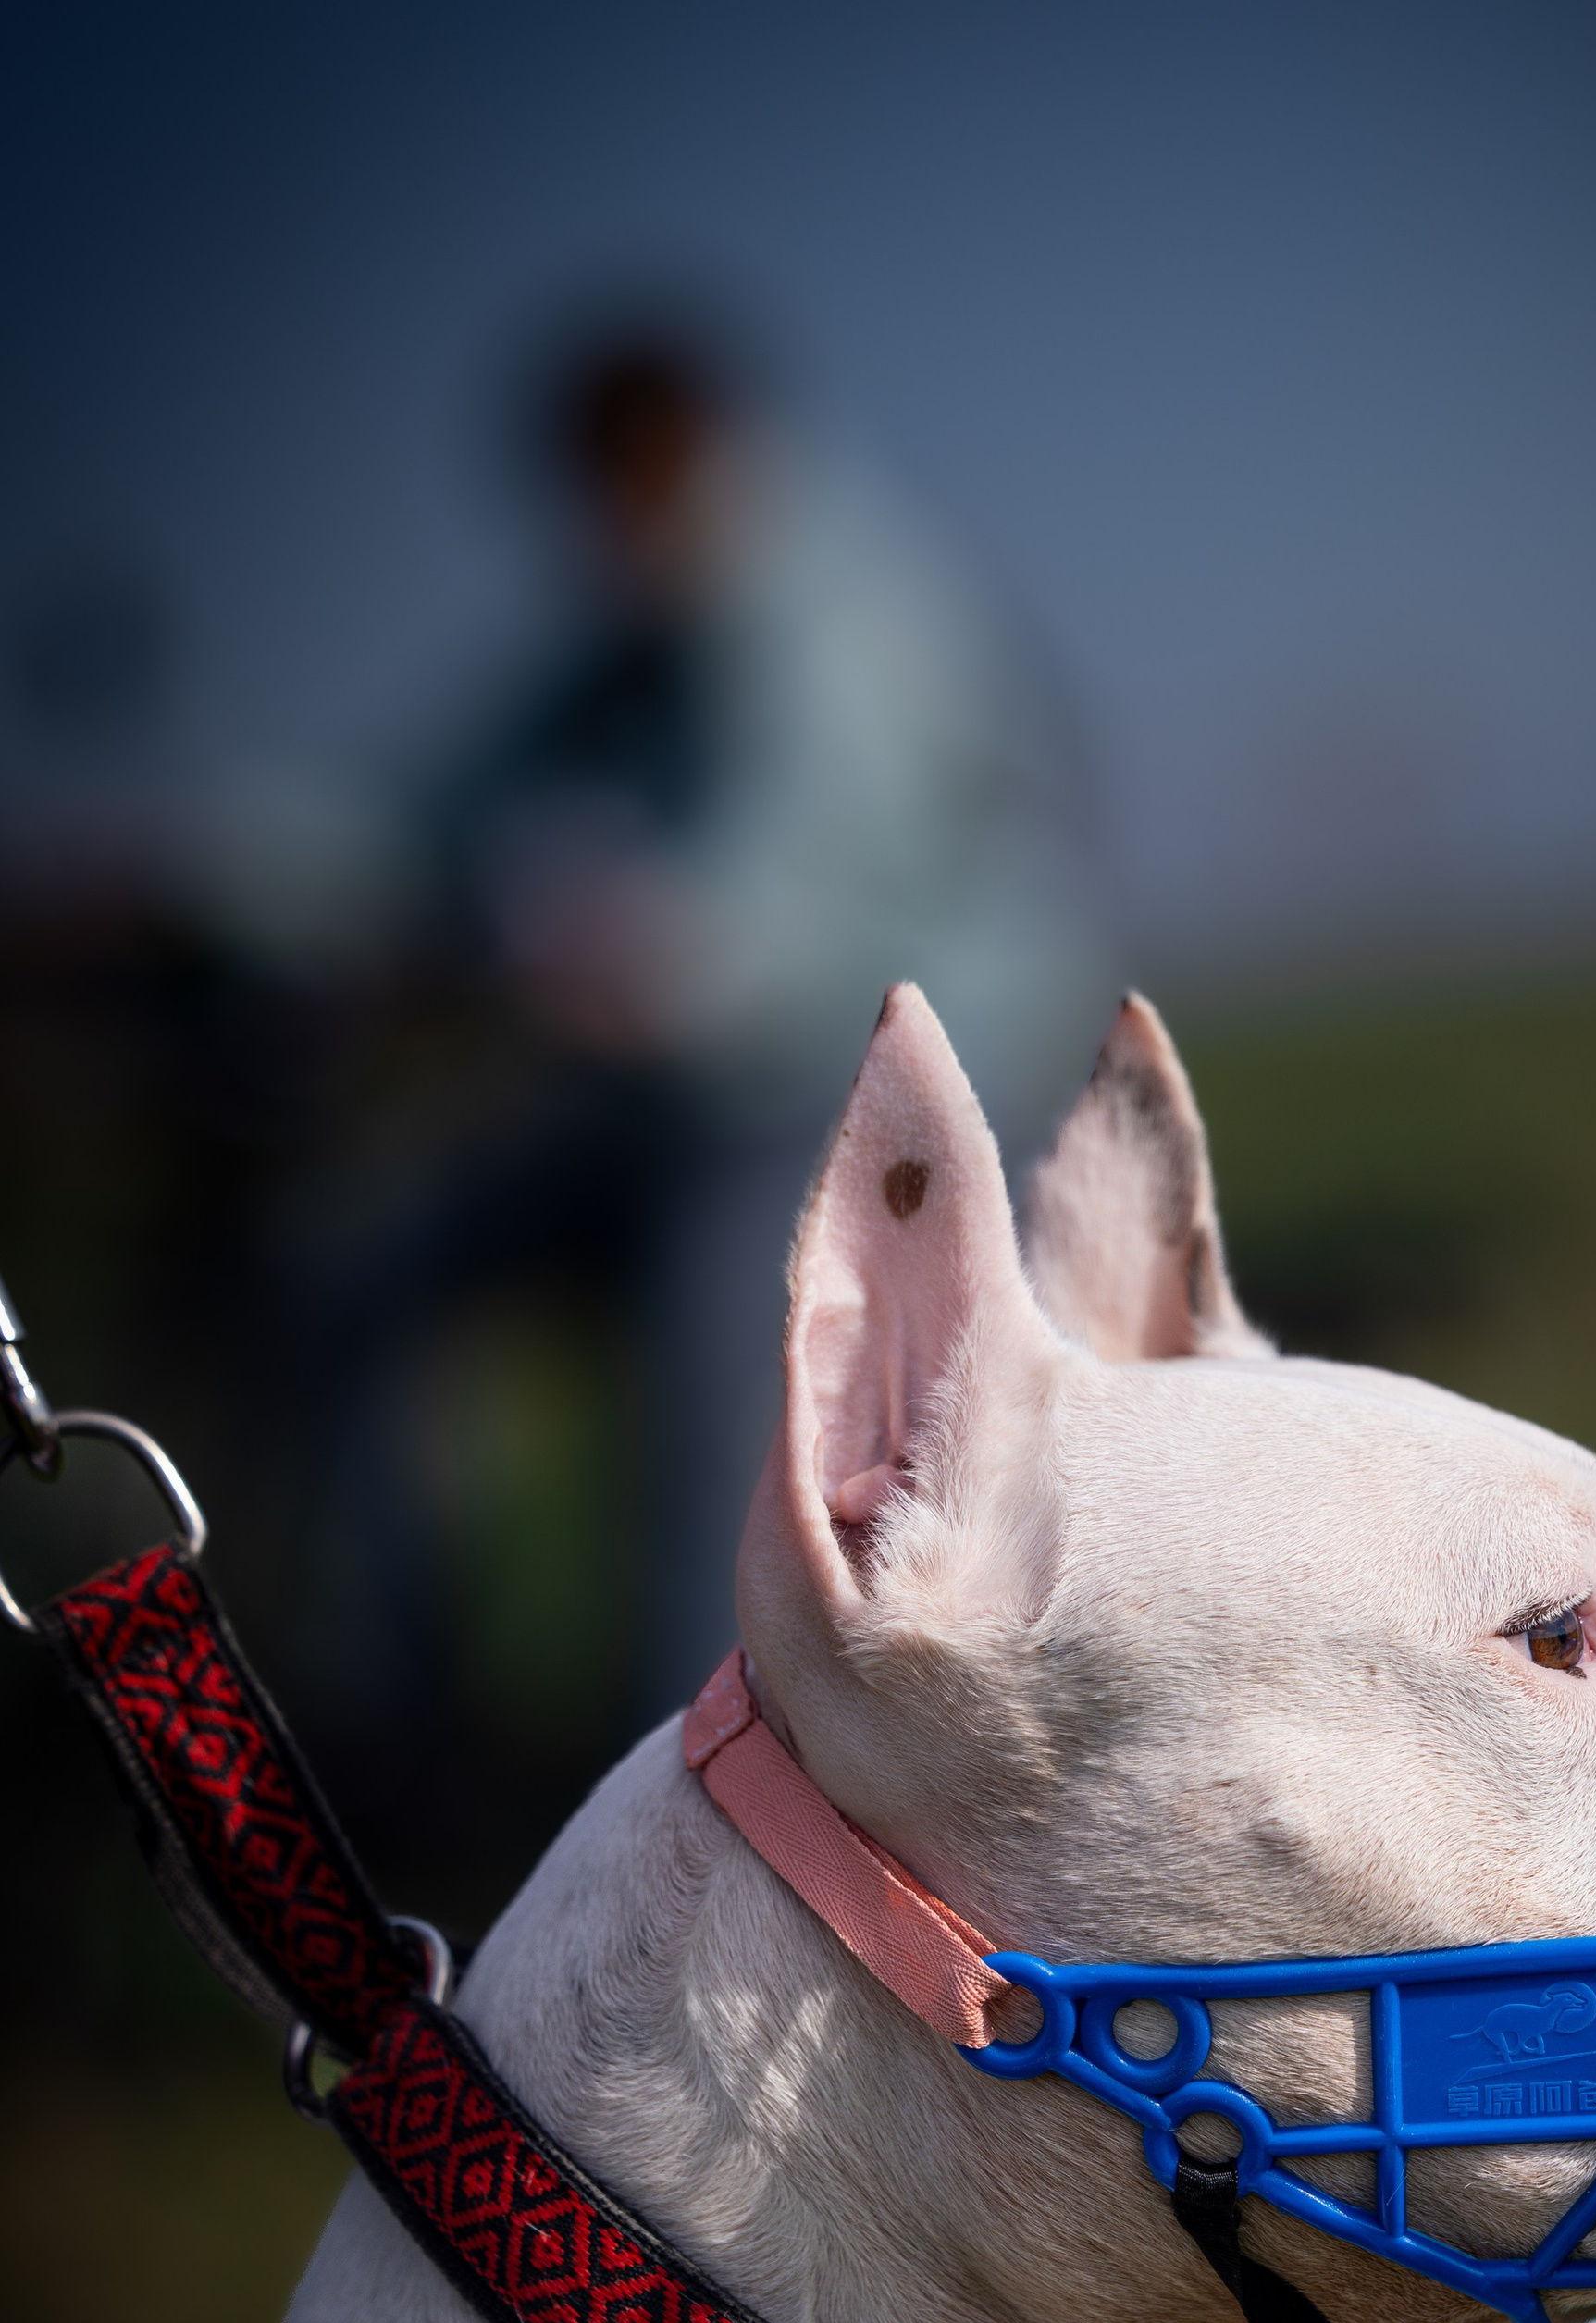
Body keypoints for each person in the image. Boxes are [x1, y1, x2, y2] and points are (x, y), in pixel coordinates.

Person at [364, 319, 1109, 1716]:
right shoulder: (639, 632)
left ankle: (700, 1784)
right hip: (676, 1105)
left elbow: (789, 905)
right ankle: (400, 1717)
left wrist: (637, 956)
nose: (598, 536)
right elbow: (430, 810)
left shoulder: (847, 610)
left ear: (678, 456)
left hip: (853, 1098)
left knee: (725, 1461)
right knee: (366, 1283)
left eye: (618, 493)